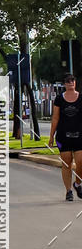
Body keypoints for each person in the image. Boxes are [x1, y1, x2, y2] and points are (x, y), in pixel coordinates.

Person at [48, 73, 82, 201]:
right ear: (64, 84)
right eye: (68, 81)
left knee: (80, 161)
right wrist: (51, 136)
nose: (70, 82)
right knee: (66, 164)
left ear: (75, 82)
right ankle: (68, 191)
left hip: (80, 136)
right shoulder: (59, 99)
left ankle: (77, 184)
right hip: (63, 136)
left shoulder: (81, 97)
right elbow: (55, 118)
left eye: (72, 80)